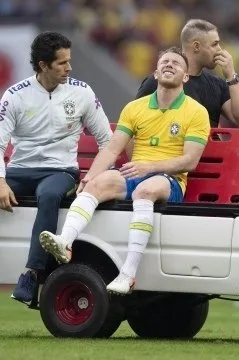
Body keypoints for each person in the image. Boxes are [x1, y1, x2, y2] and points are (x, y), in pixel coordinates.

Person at [0, 31, 113, 306]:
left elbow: (108, 141)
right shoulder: (15, 95)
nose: (69, 68)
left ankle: (31, 276)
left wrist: (92, 176)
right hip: (19, 170)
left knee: (49, 195)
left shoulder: (82, 93)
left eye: (69, 61)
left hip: (60, 172)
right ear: (42, 65)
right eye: (61, 63)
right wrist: (0, 182)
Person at [39, 47, 210, 295]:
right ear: (155, 72)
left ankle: (128, 274)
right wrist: (89, 177)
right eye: (165, 62)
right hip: (136, 173)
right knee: (97, 184)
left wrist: (149, 167)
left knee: (144, 190)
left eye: (176, 63)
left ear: (185, 76)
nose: (170, 64)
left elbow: (189, 161)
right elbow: (111, 150)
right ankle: (65, 242)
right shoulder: (135, 108)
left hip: (169, 180)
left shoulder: (196, 111)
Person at [135, 19, 239, 128]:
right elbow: (134, 124)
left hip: (208, 151)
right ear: (196, 46)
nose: (219, 50)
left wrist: (231, 75)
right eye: (214, 44)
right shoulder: (158, 82)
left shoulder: (217, 84)